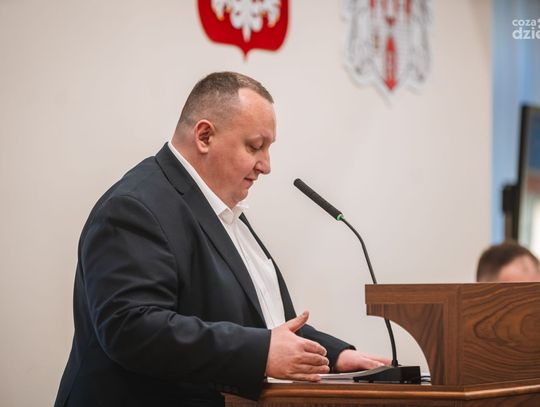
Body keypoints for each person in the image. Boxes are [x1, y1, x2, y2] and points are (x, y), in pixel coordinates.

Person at [54, 72, 389, 407]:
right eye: (255, 146)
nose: (266, 166)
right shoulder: (136, 207)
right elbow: (131, 328)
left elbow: (265, 323)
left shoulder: (220, 210)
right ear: (204, 136)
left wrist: (334, 356)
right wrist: (261, 352)